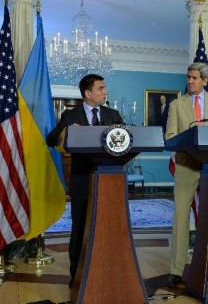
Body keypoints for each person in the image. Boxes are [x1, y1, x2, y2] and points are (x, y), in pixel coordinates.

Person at [46, 74, 122, 287]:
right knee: (80, 228)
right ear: (88, 93)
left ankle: (107, 270)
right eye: (101, 88)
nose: (105, 91)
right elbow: (50, 139)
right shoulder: (71, 116)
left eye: (105, 88)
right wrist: (68, 132)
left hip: (109, 182)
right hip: (81, 181)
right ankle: (76, 275)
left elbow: (125, 140)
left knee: (108, 227)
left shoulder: (113, 115)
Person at [164, 62, 208, 287]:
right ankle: (177, 269)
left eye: (194, 78)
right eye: (188, 77)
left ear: (205, 80)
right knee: (181, 216)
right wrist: (189, 139)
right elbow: (170, 136)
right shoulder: (176, 105)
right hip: (186, 164)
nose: (190, 81)